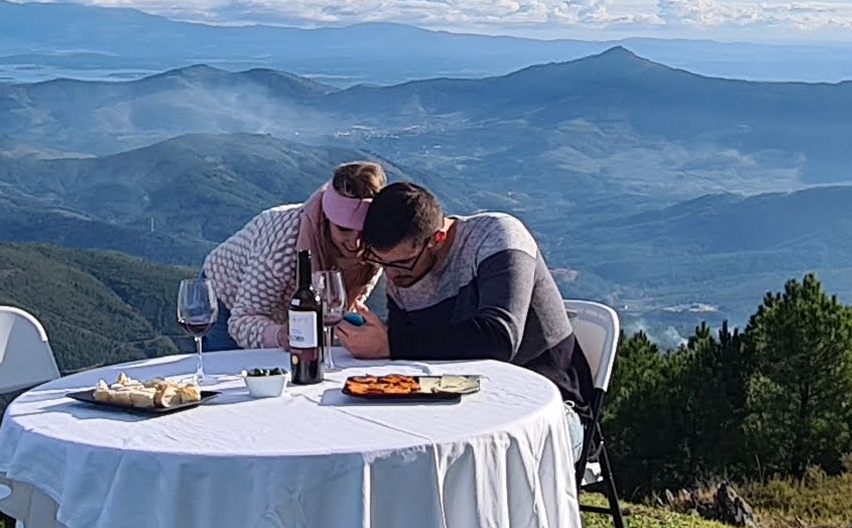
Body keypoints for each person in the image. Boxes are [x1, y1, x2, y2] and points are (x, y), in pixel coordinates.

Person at [334, 181, 594, 411]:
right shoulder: (404, 269)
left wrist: (389, 344)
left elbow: (499, 338)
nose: (391, 276)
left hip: (550, 409)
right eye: (381, 262)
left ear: (437, 238)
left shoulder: (496, 237)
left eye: (401, 264)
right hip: (460, 404)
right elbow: (409, 358)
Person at [199, 160, 386, 351]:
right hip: (227, 294)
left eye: (364, 231)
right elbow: (241, 321)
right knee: (227, 372)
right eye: (344, 229)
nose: (355, 243)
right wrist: (281, 336)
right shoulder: (284, 242)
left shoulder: (376, 247)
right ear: (327, 219)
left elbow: (344, 307)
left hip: (284, 308)